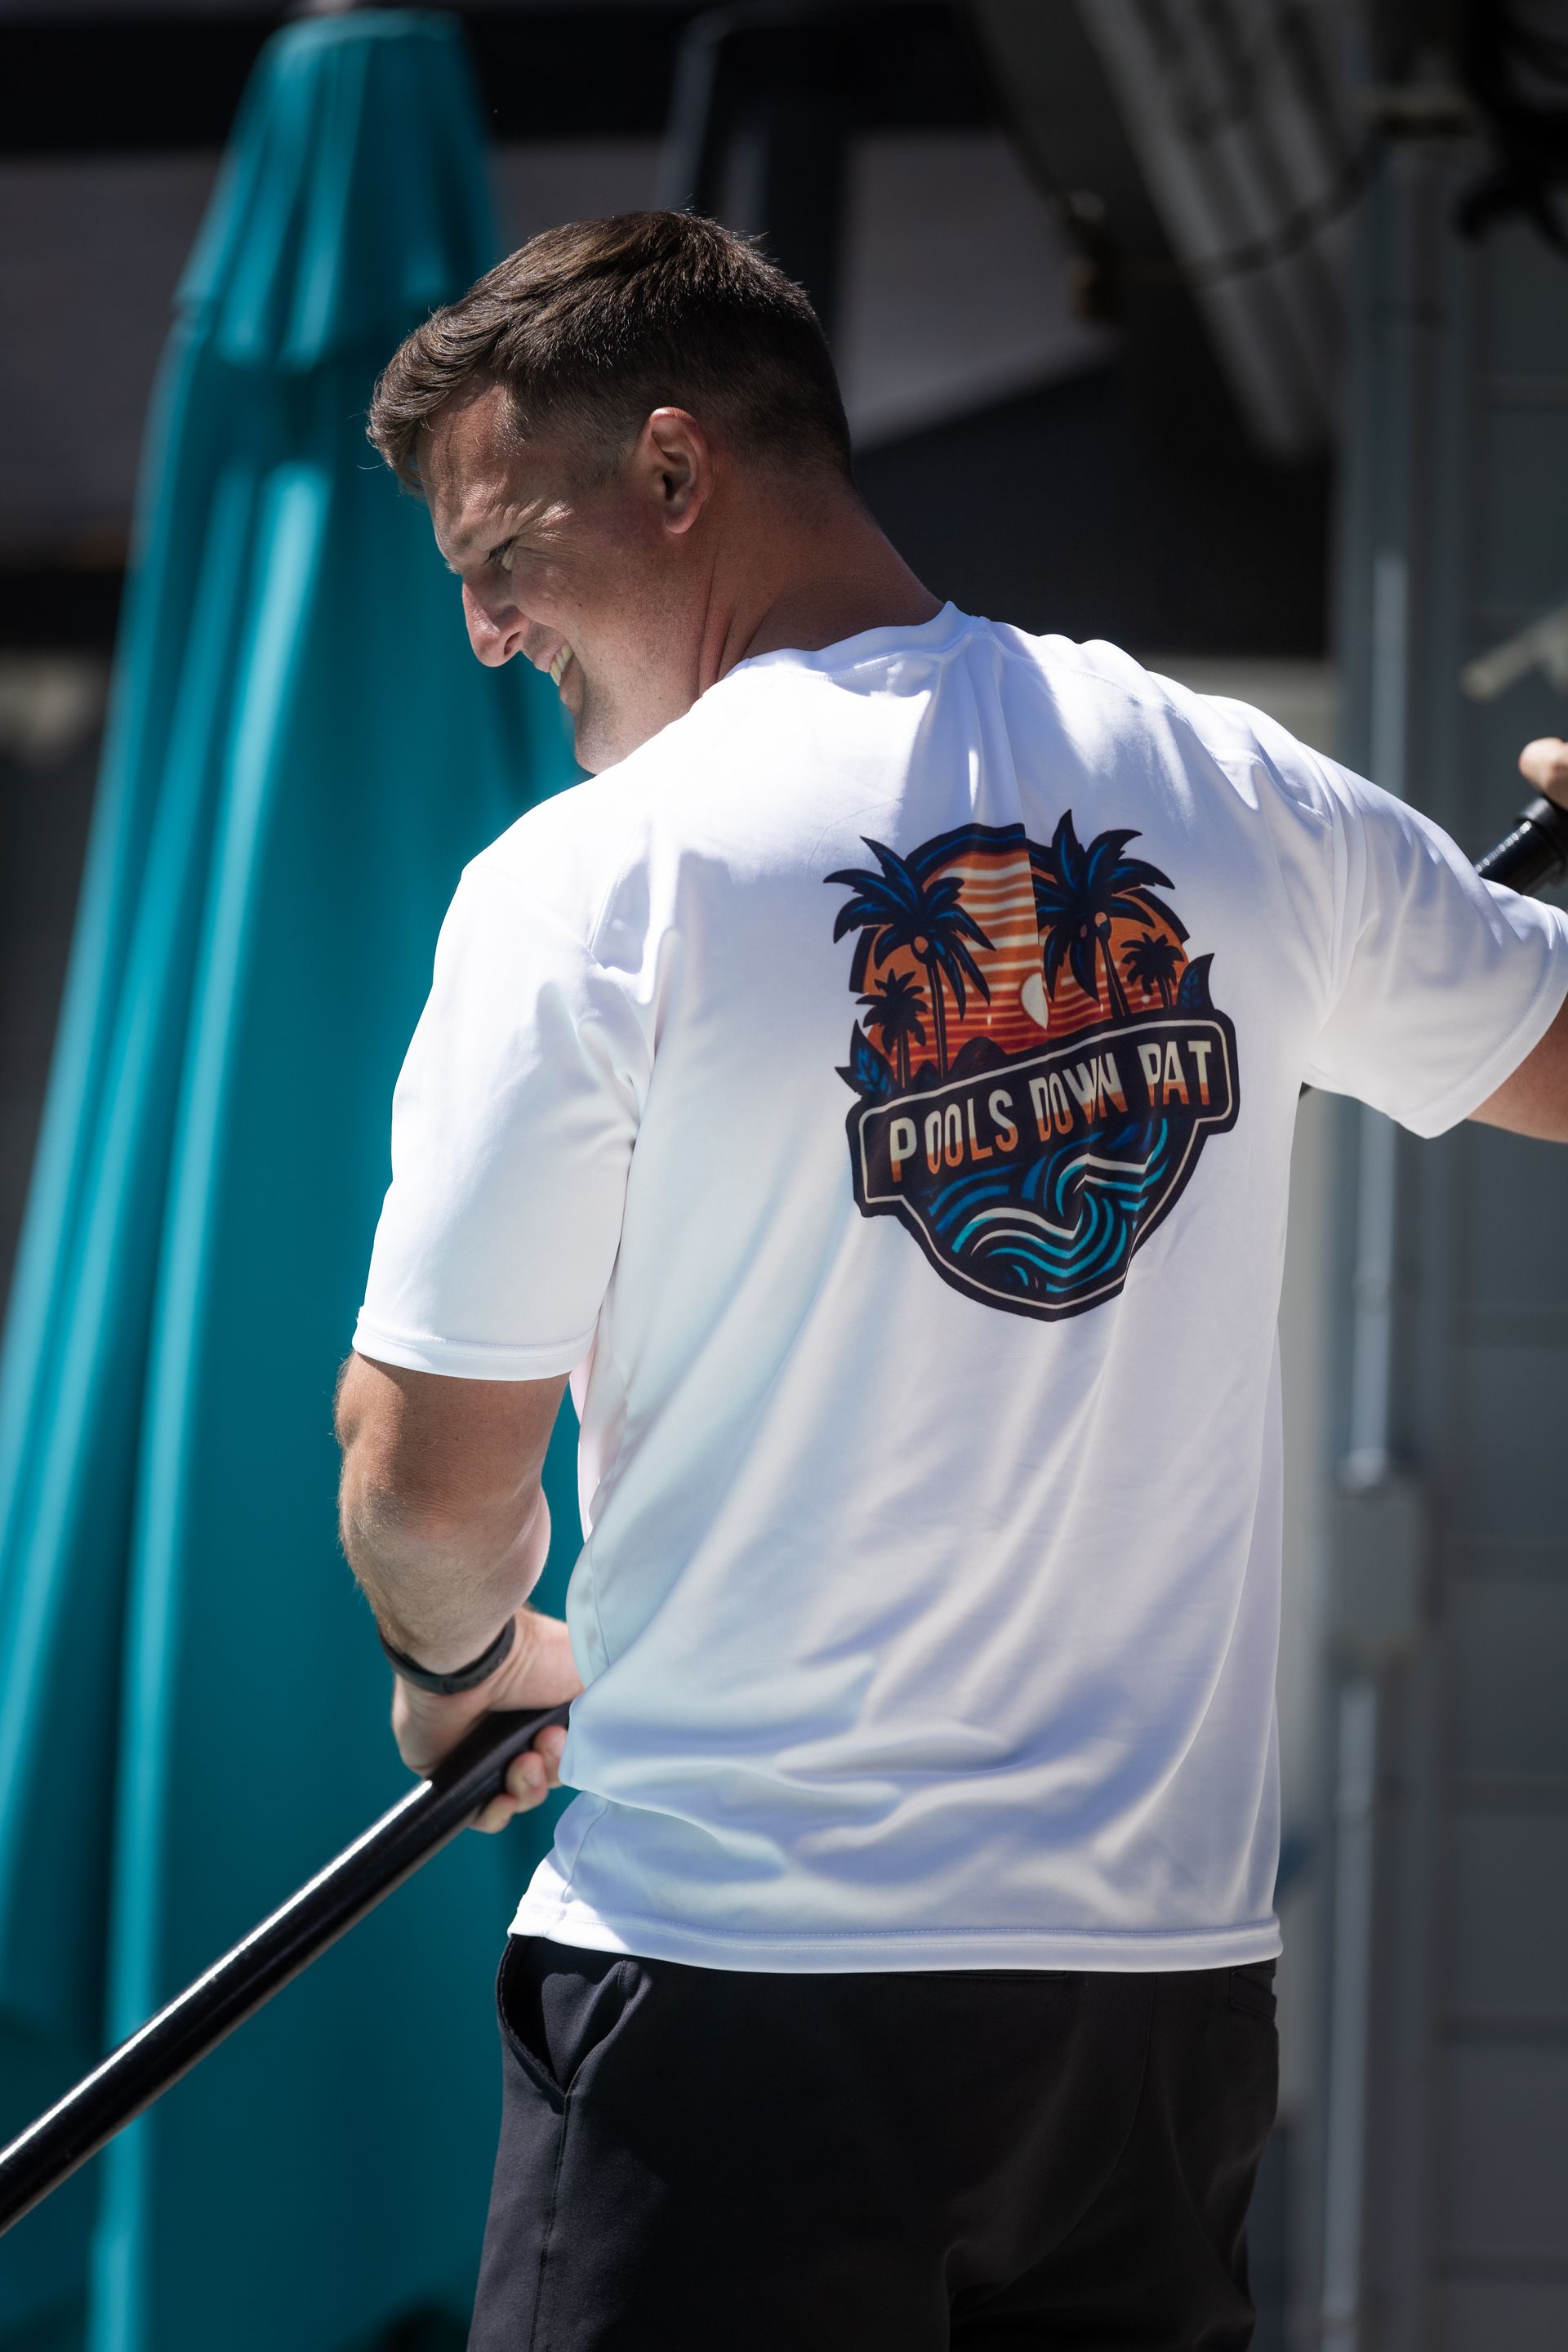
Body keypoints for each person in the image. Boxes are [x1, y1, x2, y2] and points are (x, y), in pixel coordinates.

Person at [333, 212, 1568, 2351]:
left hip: (740, 1995)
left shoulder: (592, 883)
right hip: (1158, 2023)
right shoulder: (1229, 787)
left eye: (502, 545)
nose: (483, 623)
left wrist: (458, 1658)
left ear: (675, 469)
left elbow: (431, 1482)